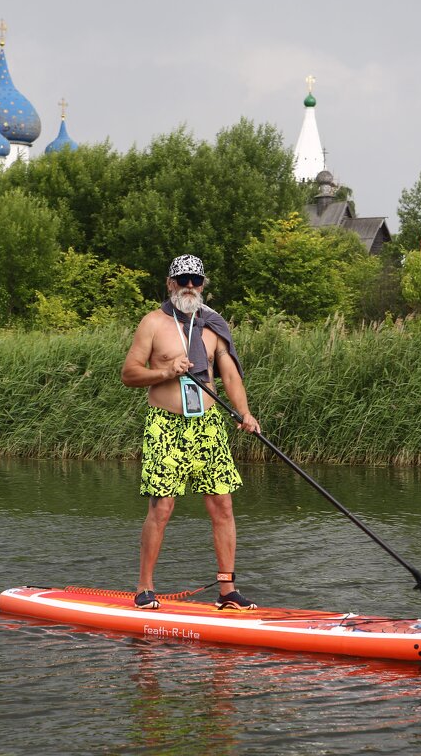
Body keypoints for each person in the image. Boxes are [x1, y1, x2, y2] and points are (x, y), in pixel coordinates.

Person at [120, 254, 262, 611]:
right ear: (170, 284)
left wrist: (244, 412)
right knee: (162, 507)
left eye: (195, 281)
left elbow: (229, 376)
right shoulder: (153, 323)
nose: (189, 286)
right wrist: (166, 371)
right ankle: (145, 588)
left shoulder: (213, 325)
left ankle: (227, 591)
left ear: (203, 285)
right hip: (166, 425)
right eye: (182, 280)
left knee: (222, 506)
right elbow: (130, 374)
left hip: (209, 425)